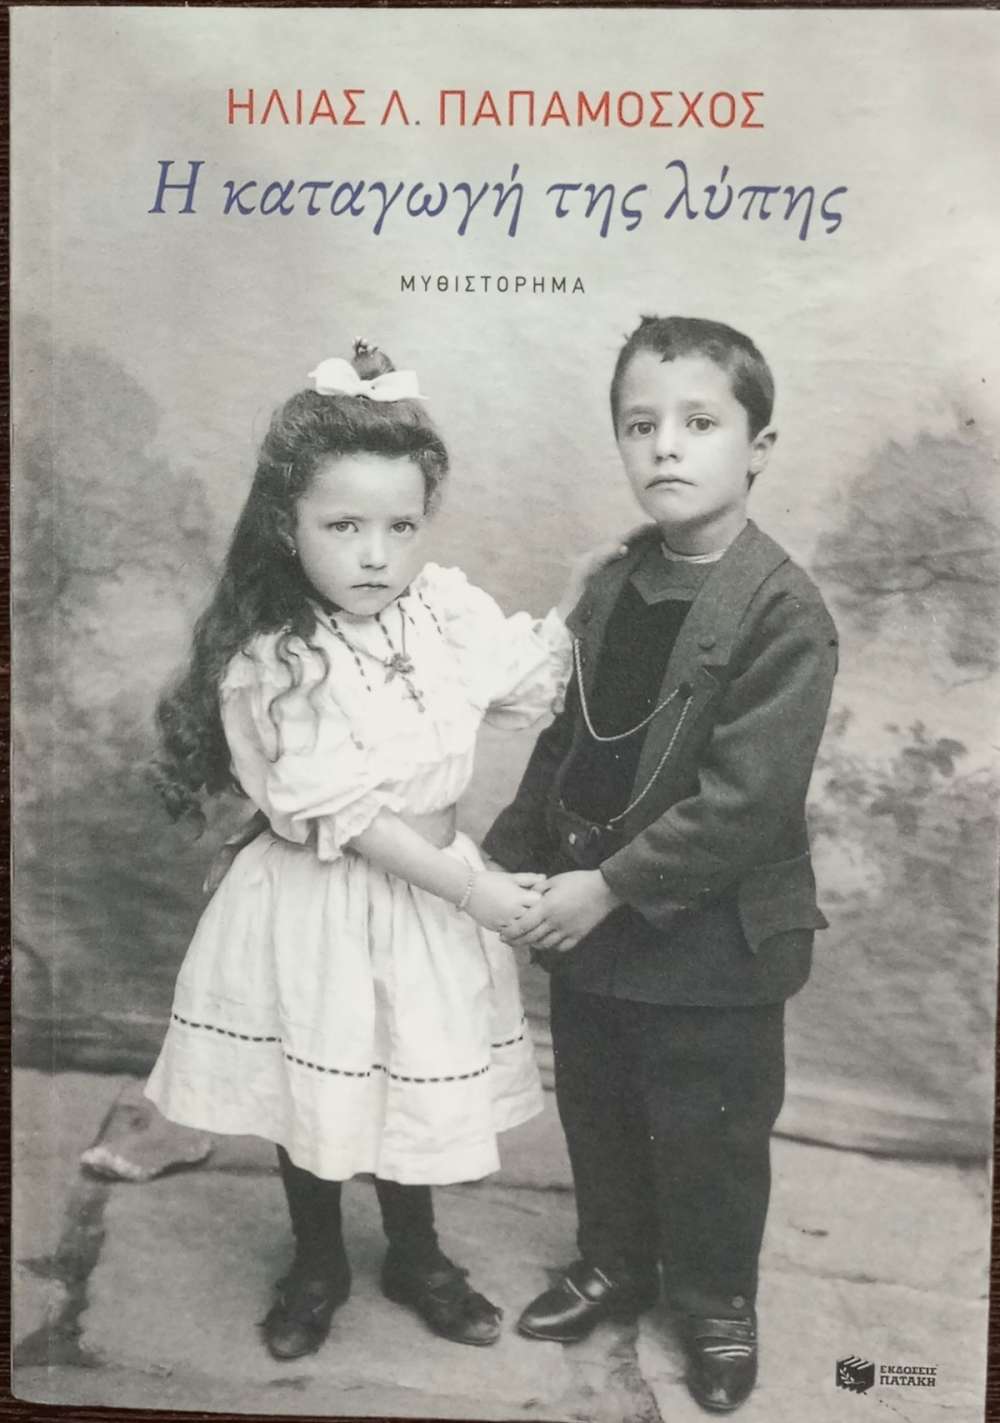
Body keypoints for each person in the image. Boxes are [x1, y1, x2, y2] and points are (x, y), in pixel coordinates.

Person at [146, 343, 614, 1362]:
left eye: (400, 526)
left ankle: (417, 1254)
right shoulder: (277, 657)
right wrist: (474, 892)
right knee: (317, 1083)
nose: (375, 555)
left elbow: (526, 678)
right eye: (343, 526)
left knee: (410, 1070)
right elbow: (349, 816)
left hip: (425, 897)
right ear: (287, 525)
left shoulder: (440, 612)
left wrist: (587, 587)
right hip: (323, 898)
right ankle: (317, 1260)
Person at [484, 316, 838, 1413]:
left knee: (709, 1133)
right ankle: (613, 1260)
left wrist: (606, 887)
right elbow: (566, 742)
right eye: (640, 425)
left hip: (710, 945)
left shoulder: (784, 612)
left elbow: (744, 804)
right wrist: (500, 860)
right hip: (591, 927)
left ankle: (718, 1303)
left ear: (758, 447)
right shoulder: (612, 584)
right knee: (597, 1105)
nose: (666, 446)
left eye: (699, 423)